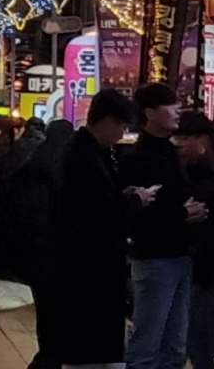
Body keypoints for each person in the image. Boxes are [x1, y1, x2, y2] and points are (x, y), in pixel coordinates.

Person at [52, 89, 151, 369]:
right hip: (89, 272)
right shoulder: (84, 158)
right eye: (121, 125)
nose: (122, 133)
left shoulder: (88, 152)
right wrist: (134, 200)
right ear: (107, 120)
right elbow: (98, 213)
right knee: (91, 353)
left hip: (90, 271)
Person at [120, 83, 207, 369]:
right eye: (170, 105)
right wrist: (181, 214)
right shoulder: (136, 158)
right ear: (149, 113)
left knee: (175, 347)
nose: (177, 110)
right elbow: (139, 216)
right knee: (147, 342)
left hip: (180, 255)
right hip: (154, 259)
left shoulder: (170, 152)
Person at [172, 112, 214, 369]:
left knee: (197, 340)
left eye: (186, 137)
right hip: (179, 268)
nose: (179, 143)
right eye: (177, 136)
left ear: (205, 140)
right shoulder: (175, 175)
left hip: (207, 274)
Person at [7, 118, 73, 369]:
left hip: (32, 251)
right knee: (59, 310)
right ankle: (52, 357)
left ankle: (47, 354)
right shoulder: (63, 168)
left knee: (45, 310)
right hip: (56, 251)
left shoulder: (30, 164)